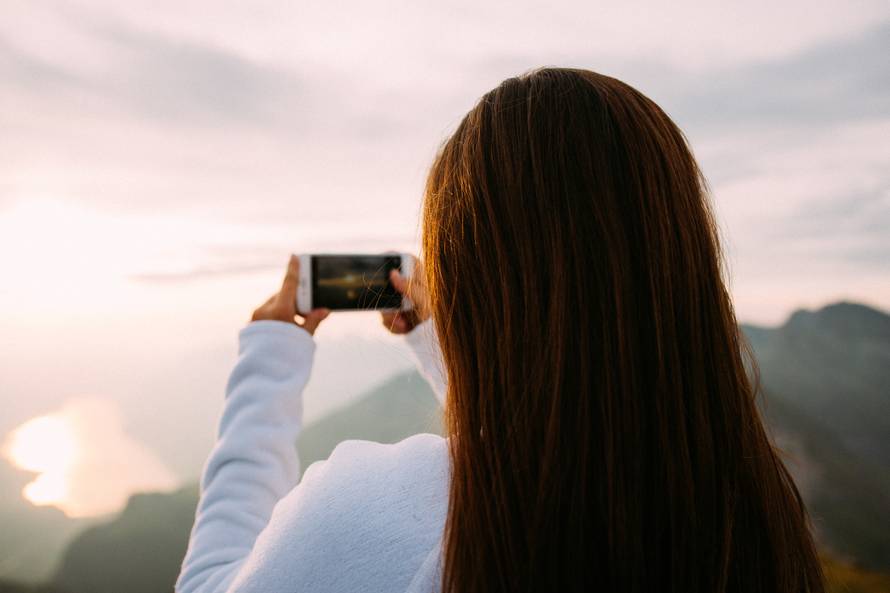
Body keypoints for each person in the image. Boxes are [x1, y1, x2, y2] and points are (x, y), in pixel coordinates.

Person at [175, 68, 825, 593]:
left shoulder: (365, 515)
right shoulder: (752, 513)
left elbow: (211, 582)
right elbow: (552, 436)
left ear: (472, 284)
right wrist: (444, 345)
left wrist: (270, 358)